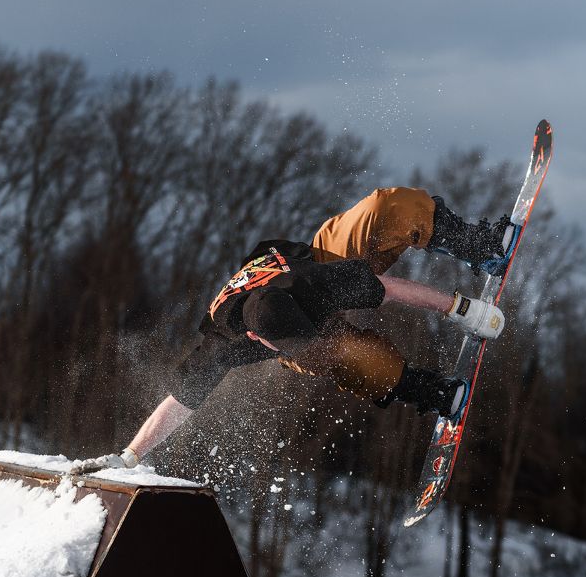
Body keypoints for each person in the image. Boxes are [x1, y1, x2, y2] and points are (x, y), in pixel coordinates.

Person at [72, 187, 515, 474]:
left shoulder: (311, 282)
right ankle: (428, 390)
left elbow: (386, 288)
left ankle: (480, 246)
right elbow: (177, 401)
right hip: (291, 327)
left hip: (317, 262)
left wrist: (461, 309)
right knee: (346, 355)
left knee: (387, 208)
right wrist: (128, 457)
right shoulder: (221, 346)